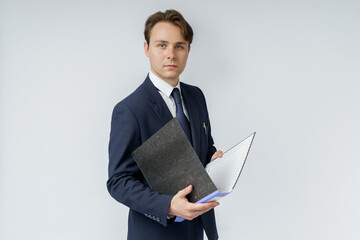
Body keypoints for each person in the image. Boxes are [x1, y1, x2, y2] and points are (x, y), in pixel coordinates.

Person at [107, 9, 223, 240]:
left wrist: (214, 160)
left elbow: (204, 148)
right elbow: (118, 181)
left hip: (197, 228)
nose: (171, 54)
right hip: (154, 232)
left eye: (179, 46)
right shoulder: (129, 110)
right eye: (162, 45)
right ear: (147, 49)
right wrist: (168, 205)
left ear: (188, 51)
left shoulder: (196, 96)